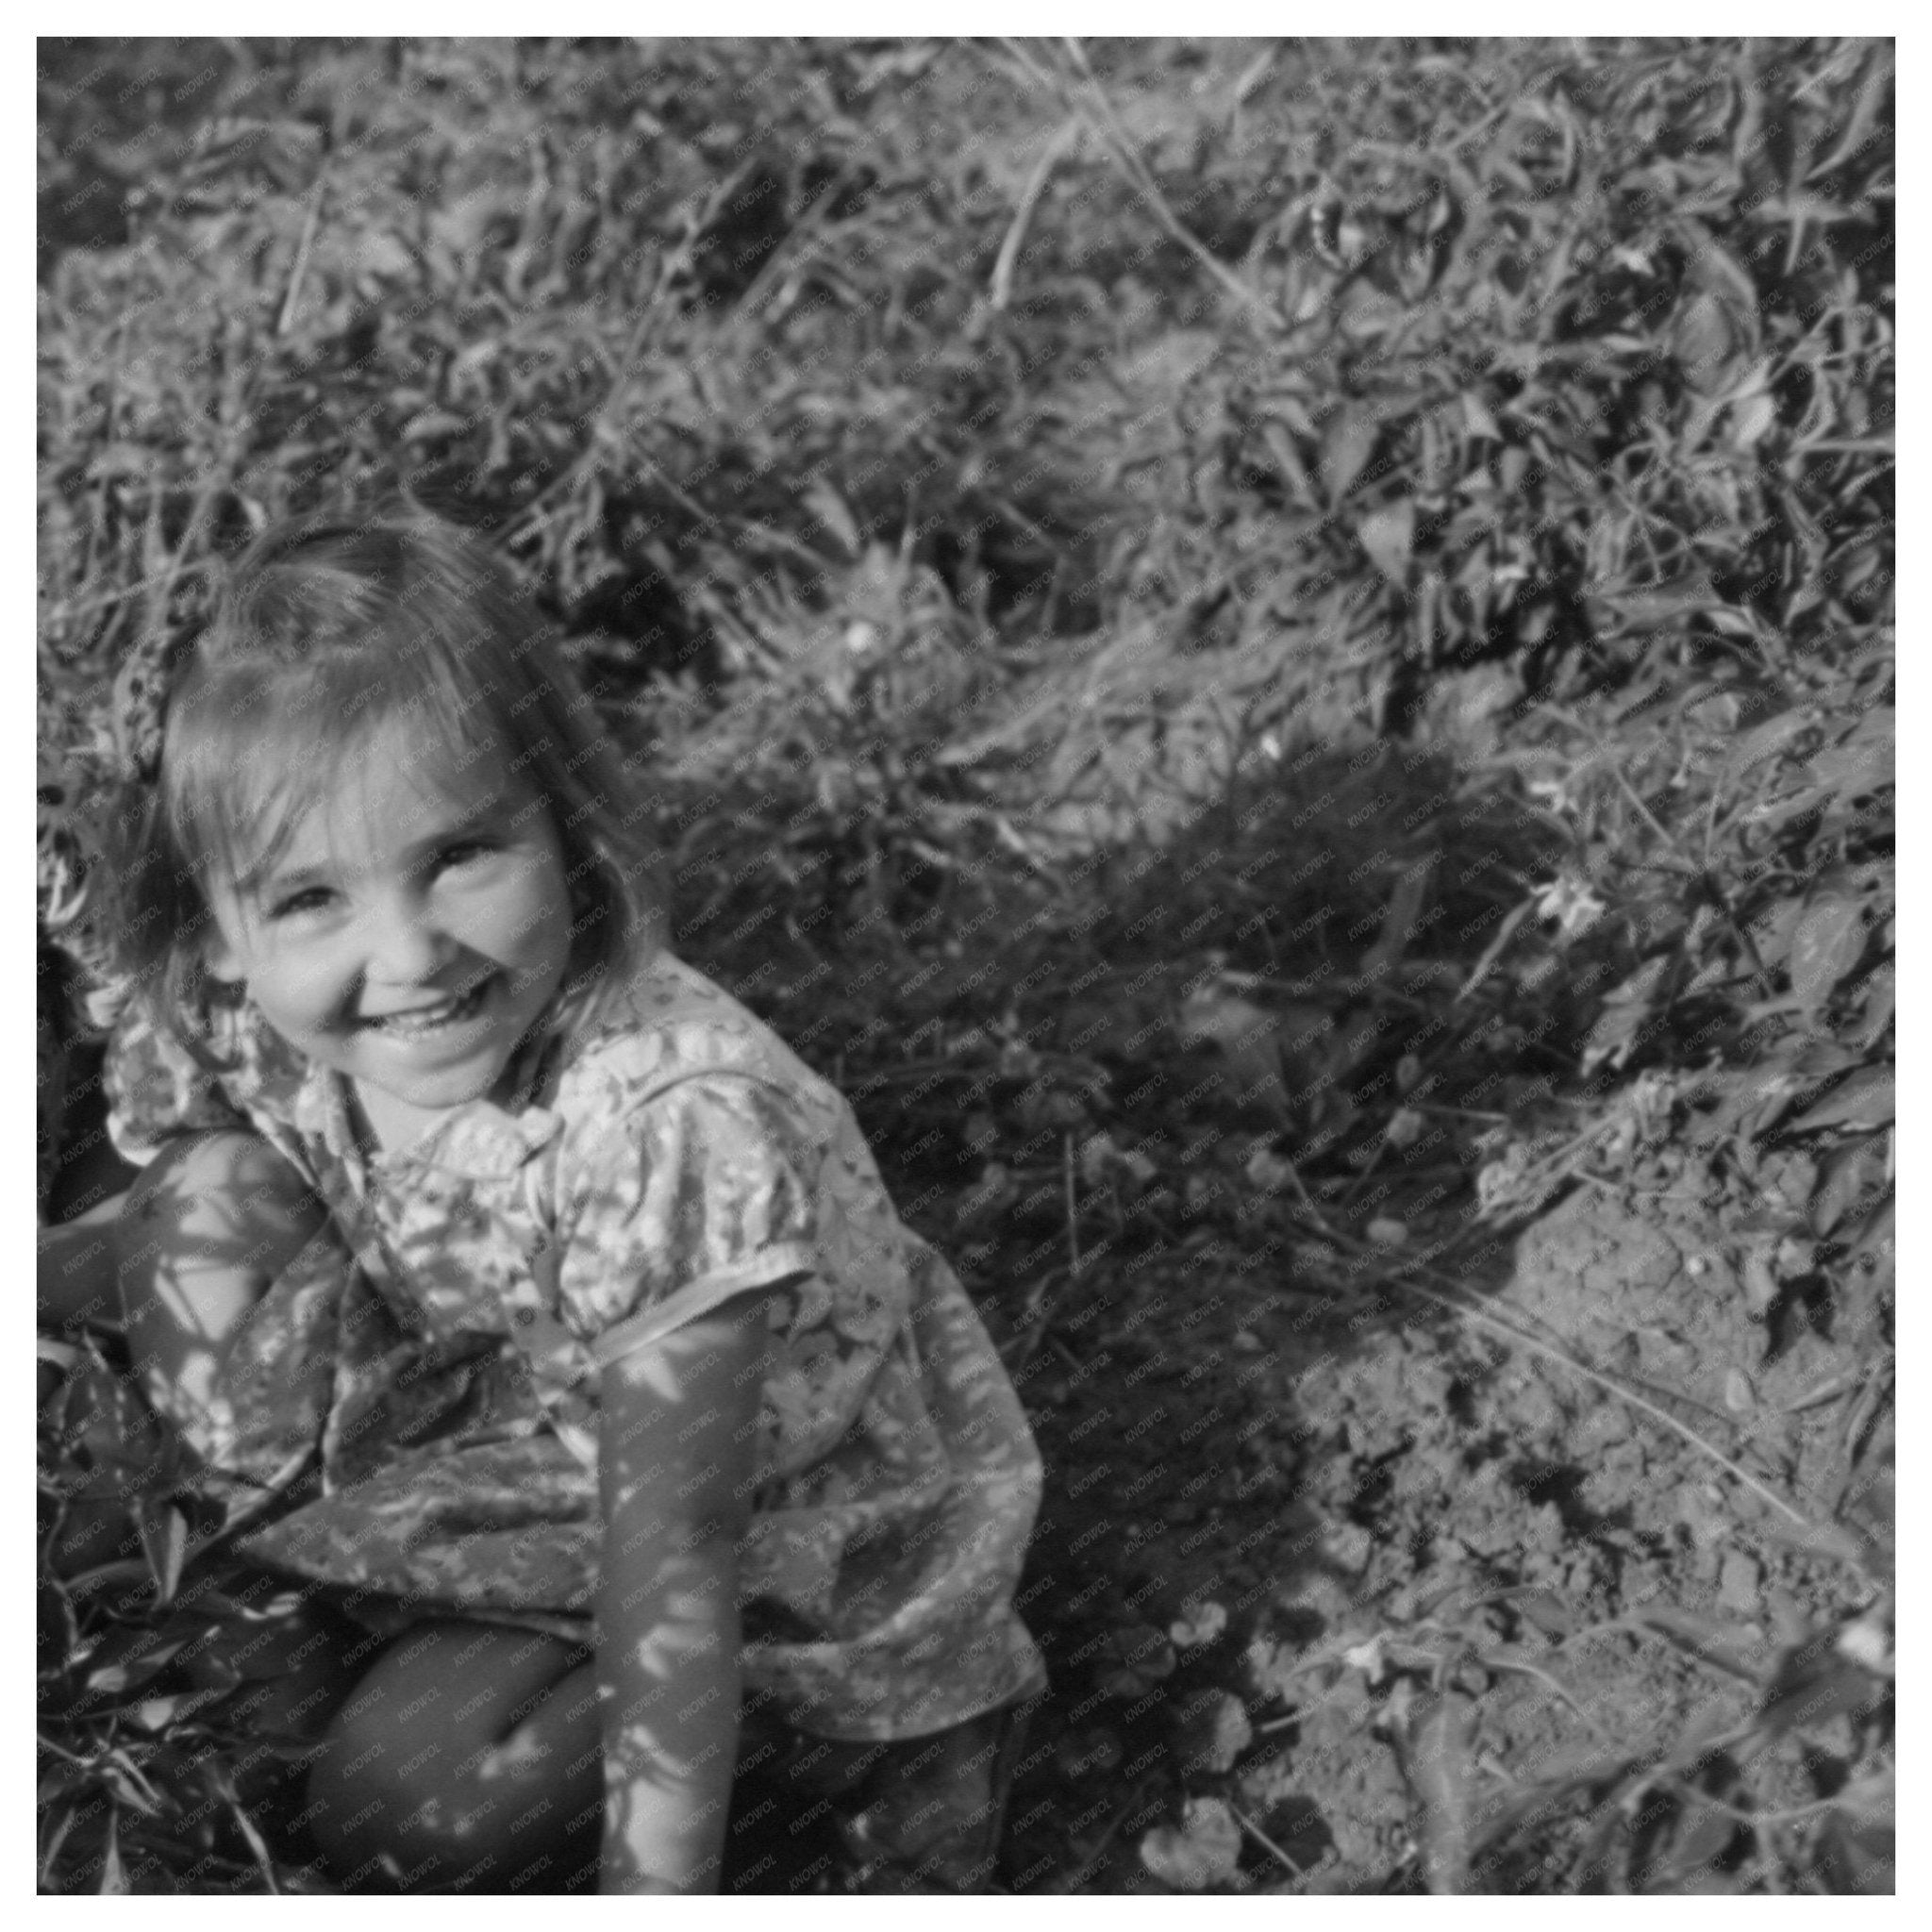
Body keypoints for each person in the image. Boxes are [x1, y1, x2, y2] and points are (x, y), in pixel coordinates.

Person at [37, 509, 1046, 1894]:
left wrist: (652, 1896)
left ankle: (779, 1757)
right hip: (488, 1385)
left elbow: (673, 1554)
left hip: (731, 1509)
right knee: (198, 1196)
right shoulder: (276, 1014)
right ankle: (268, 1562)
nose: (407, 955)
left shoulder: (667, 1130)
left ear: (565, 823)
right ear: (223, 926)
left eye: (459, 856)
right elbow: (154, 1223)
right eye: (315, 896)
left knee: (412, 1803)